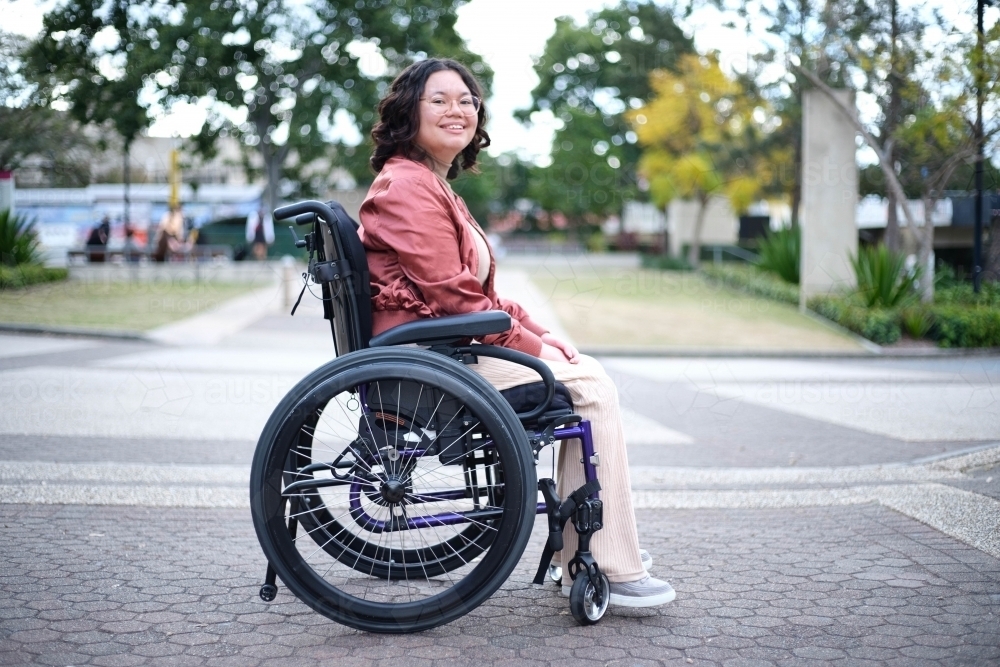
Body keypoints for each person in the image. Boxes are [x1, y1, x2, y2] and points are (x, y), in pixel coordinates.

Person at [358, 58, 675, 608]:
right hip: (428, 363)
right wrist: (529, 347)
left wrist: (539, 334)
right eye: (440, 100)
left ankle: (582, 549)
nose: (458, 110)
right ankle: (606, 563)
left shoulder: (428, 182)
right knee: (592, 391)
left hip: (444, 348)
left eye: (467, 100)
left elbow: (475, 291)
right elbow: (455, 297)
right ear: (409, 112)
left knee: (586, 373)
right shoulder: (407, 186)